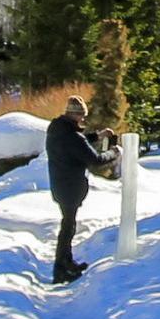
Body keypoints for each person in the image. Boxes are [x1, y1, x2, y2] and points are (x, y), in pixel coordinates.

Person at [45, 96, 115, 283]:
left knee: (69, 224)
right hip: (70, 186)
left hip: (60, 184)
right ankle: (60, 269)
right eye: (82, 116)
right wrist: (115, 152)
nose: (83, 119)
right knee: (68, 227)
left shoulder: (57, 130)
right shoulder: (72, 136)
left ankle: (66, 263)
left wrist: (97, 136)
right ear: (76, 115)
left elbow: (78, 144)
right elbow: (95, 160)